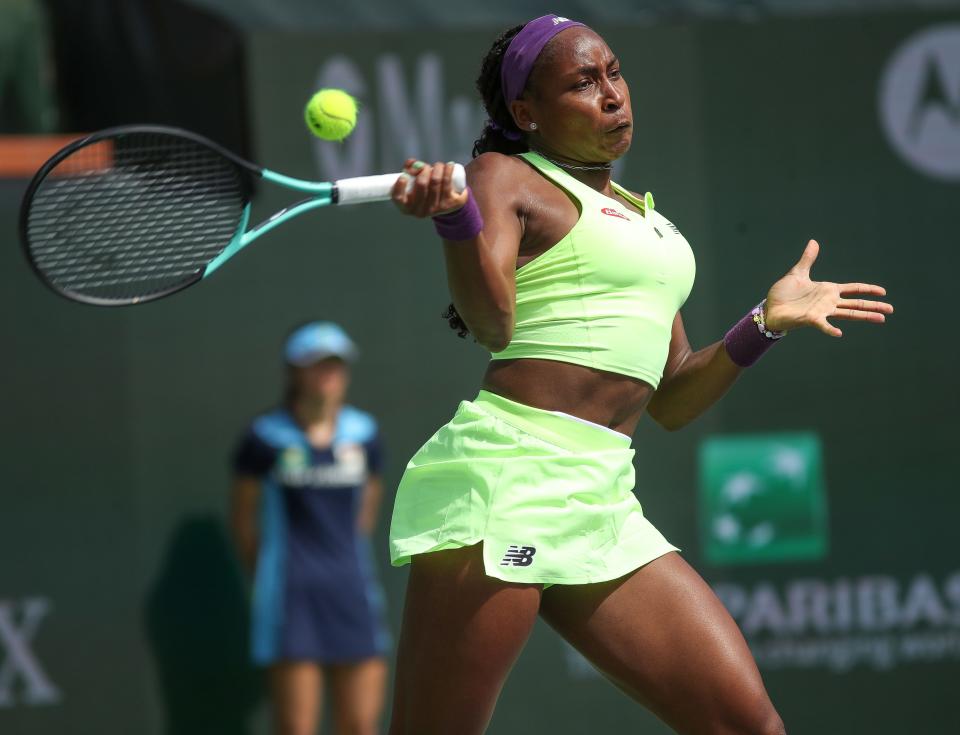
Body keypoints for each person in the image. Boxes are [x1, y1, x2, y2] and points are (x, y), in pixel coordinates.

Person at [385, 14, 893, 735]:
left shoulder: (649, 222)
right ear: (526, 113)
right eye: (583, 82)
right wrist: (456, 220)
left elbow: (675, 395)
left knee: (749, 726)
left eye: (614, 73)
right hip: (505, 480)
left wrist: (765, 323)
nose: (612, 94)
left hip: (601, 499)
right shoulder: (503, 177)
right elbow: (494, 323)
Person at [229, 321, 389, 735]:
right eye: (316, 365)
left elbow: (366, 511)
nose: (328, 374)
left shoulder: (365, 434)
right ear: (294, 372)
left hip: (352, 591)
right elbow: (243, 521)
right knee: (296, 728)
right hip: (291, 597)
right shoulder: (264, 438)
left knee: (360, 725)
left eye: (335, 364)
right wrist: (269, 576)